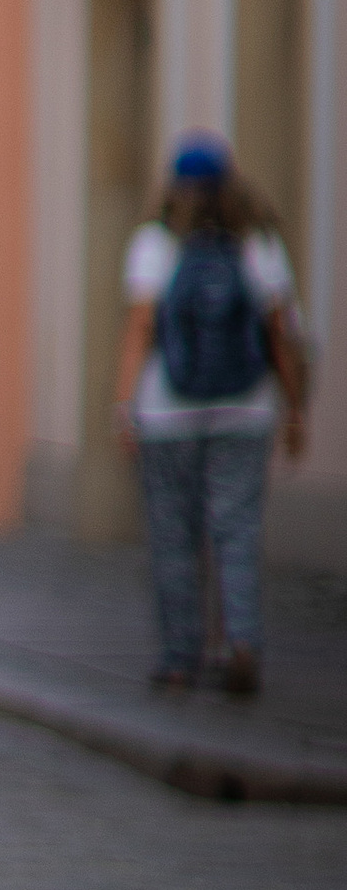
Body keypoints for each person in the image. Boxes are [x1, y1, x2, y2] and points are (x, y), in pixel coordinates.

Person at [114, 133, 310, 697]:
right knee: (237, 530)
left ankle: (181, 658)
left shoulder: (156, 245)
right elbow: (280, 333)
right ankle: (242, 643)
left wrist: (123, 406)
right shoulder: (259, 245)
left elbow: (140, 327)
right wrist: (295, 409)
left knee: (175, 537)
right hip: (246, 409)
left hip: (167, 411)